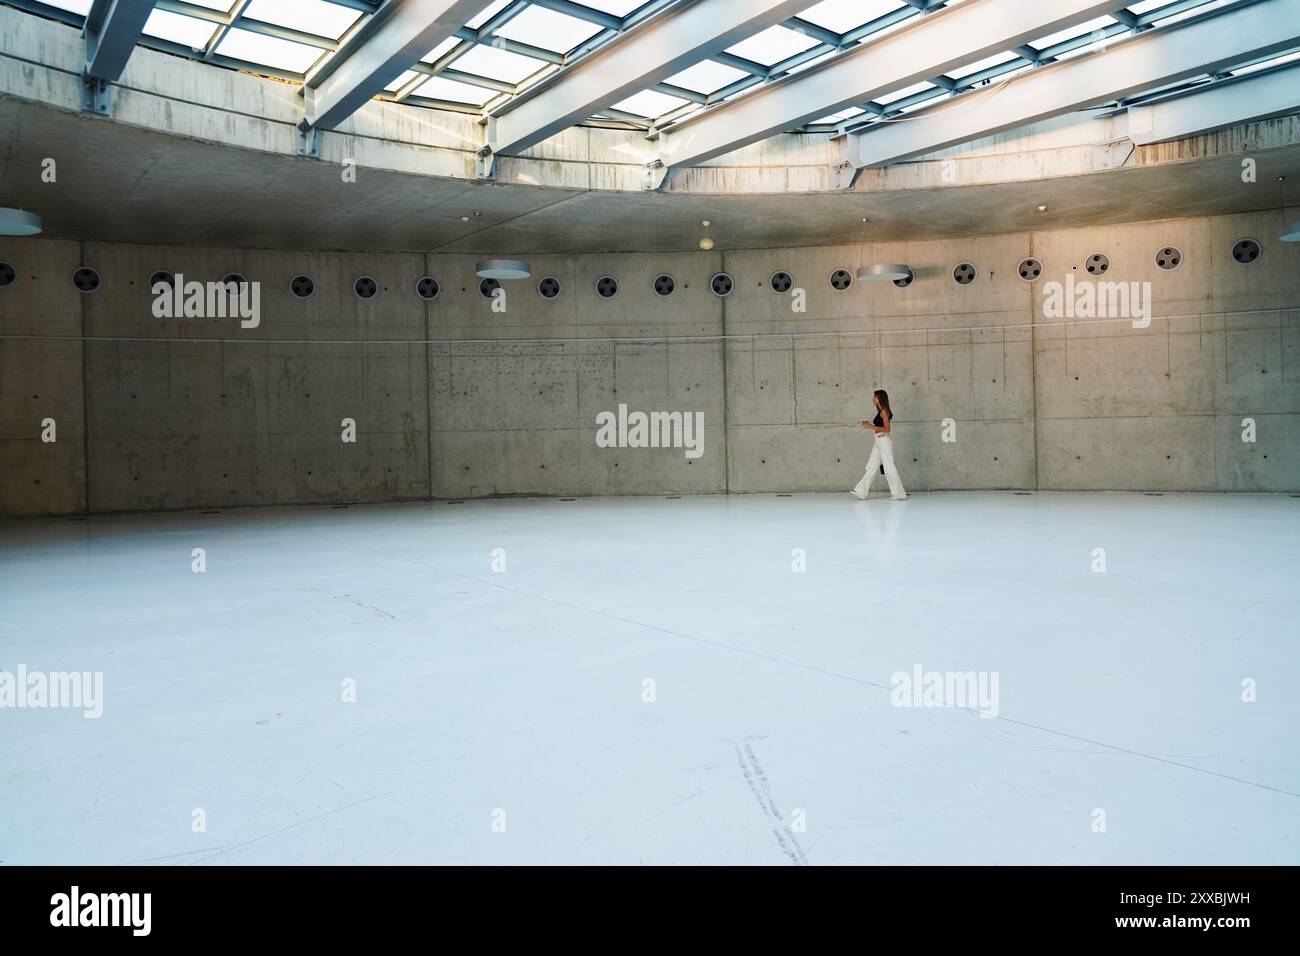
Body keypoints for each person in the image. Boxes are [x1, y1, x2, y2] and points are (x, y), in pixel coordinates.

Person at [850, 389, 907, 501]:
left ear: (880, 398)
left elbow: (887, 429)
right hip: (878, 441)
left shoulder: (884, 411)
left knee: (889, 467)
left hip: (884, 441)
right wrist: (868, 425)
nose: (873, 398)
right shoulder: (880, 410)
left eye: (874, 396)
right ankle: (861, 491)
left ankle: (899, 493)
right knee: (871, 466)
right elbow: (879, 426)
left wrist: (870, 427)